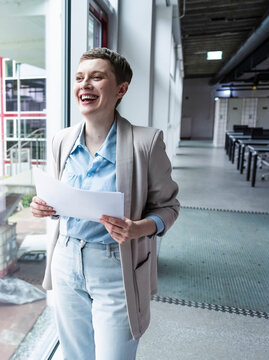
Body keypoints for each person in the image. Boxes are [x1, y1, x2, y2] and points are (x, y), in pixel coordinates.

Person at [30, 48, 179, 360]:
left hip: (116, 266)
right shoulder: (62, 140)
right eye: (80, 78)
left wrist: (139, 228)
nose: (85, 85)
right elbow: (63, 201)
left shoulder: (146, 142)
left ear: (121, 89)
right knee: (75, 355)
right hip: (67, 260)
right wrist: (44, 207)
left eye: (97, 77)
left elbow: (169, 207)